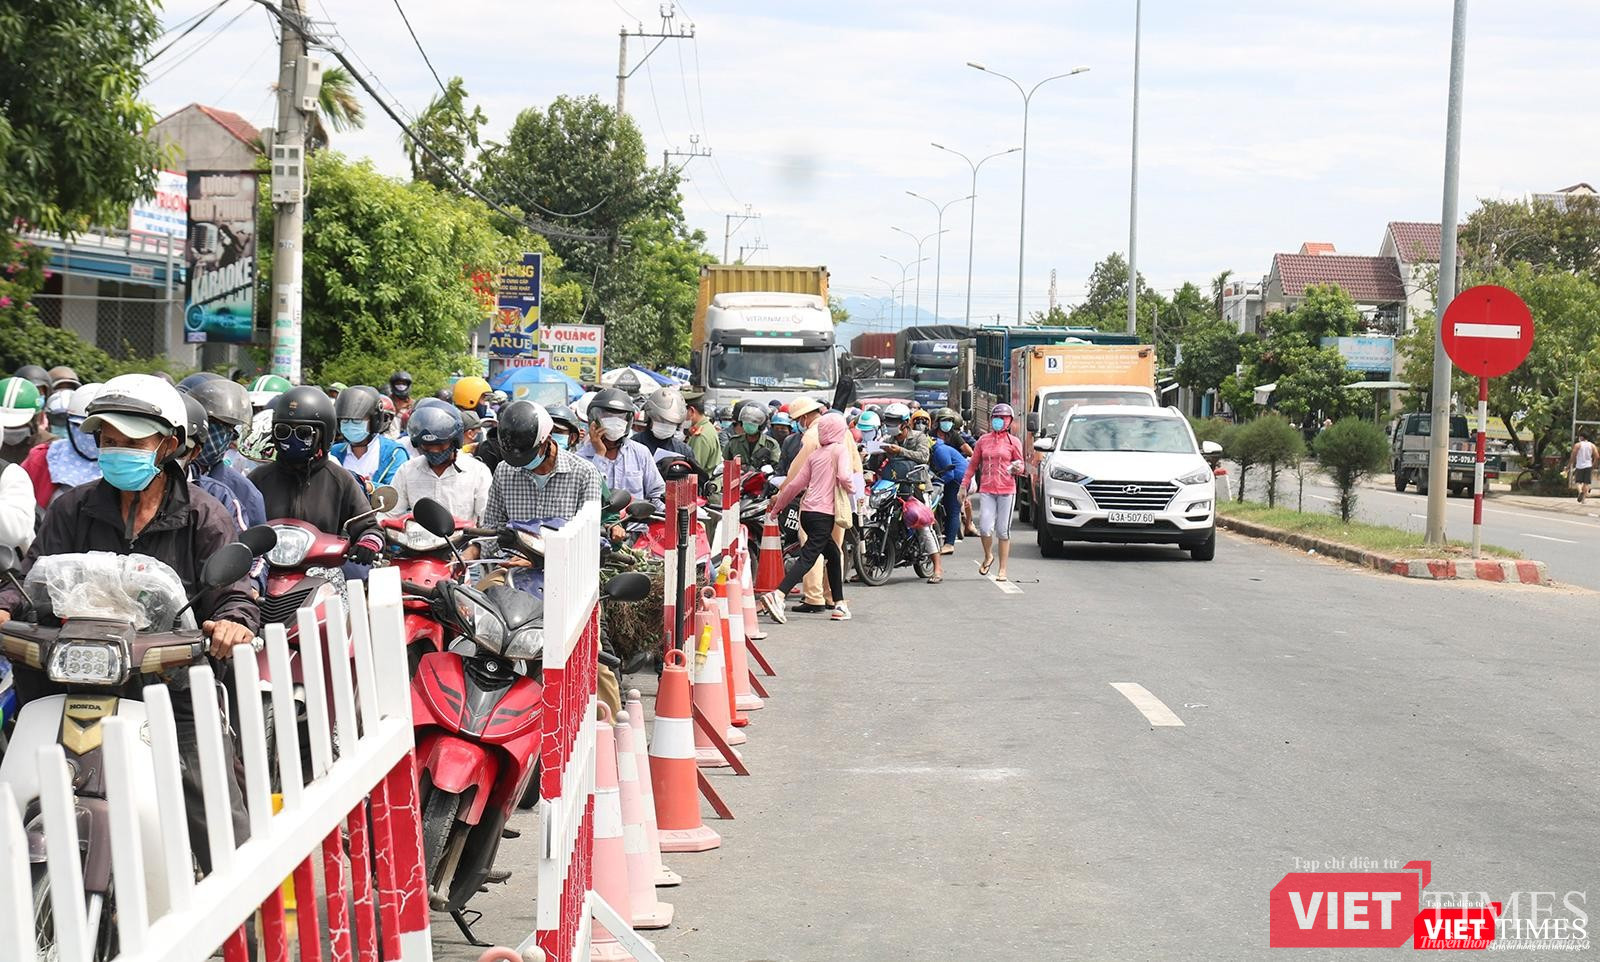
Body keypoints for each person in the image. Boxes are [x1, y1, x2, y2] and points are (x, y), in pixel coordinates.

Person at [0, 373, 259, 872]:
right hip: (71, 678)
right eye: (109, 441)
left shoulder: (205, 516)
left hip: (168, 686)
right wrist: (7, 604)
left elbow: (236, 590)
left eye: (132, 442)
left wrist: (232, 621)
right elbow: (33, 575)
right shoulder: (72, 507)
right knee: (18, 774)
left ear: (168, 445)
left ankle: (242, 933)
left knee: (215, 812)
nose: (117, 451)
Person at [248, 386, 382, 563]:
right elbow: (236, 527)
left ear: (323, 436)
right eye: (283, 431)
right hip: (265, 574)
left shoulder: (340, 480)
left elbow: (369, 527)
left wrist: (369, 542)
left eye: (303, 433)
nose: (292, 439)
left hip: (322, 575)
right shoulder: (258, 479)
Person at [761, 412, 854, 623]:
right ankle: (778, 594)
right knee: (809, 557)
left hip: (808, 512)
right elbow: (845, 477)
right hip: (824, 514)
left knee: (833, 553)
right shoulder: (840, 450)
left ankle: (839, 604)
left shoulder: (815, 455)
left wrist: (777, 508)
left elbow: (794, 485)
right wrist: (849, 488)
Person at [481, 400, 603, 532]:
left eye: (527, 455)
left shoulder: (585, 473)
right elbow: (491, 527)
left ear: (547, 441)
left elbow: (587, 533)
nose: (522, 463)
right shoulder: (504, 471)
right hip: (511, 552)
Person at [183, 376, 267, 530]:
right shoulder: (152, 478)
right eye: (212, 422)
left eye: (229, 427)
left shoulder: (244, 493)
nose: (220, 434)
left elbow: (253, 551)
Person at [389, 403, 492, 523]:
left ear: (455, 440)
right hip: (416, 540)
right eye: (427, 445)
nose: (434, 450)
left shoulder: (477, 472)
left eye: (440, 444)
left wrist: (476, 542)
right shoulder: (407, 471)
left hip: (464, 541)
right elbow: (390, 515)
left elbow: (487, 518)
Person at [960, 403, 1025, 581]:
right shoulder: (983, 440)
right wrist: (963, 486)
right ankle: (988, 555)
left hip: (1007, 490)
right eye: (996, 418)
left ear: (1009, 421)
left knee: (1003, 531)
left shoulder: (1014, 442)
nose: (999, 421)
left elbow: (1021, 465)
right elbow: (972, 465)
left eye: (1003, 418)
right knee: (985, 528)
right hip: (987, 490)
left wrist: (1016, 468)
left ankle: (1002, 569)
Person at [576, 388, 665, 507]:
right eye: (607, 416)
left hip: (636, 524)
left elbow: (657, 493)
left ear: (628, 421)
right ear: (593, 419)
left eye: (620, 417)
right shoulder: (580, 459)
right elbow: (587, 496)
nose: (615, 421)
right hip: (598, 524)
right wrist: (599, 454)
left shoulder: (640, 453)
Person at [21, 382, 101, 506]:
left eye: (96, 429)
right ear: (68, 423)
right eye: (78, 426)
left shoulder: (126, 465)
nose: (87, 435)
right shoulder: (44, 457)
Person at [329, 385, 408, 489]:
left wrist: (368, 487)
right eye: (345, 421)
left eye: (357, 421)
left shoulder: (394, 454)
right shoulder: (333, 453)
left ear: (374, 420)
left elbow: (397, 491)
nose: (350, 425)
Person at [929, 434, 969, 570]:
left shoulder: (940, 451)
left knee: (953, 510)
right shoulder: (936, 449)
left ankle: (949, 544)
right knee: (947, 506)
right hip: (955, 478)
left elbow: (949, 474)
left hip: (957, 479)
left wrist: (936, 483)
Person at [634, 387, 696, 464]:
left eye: (671, 423)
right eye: (661, 420)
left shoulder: (683, 451)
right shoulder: (632, 446)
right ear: (649, 417)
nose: (666, 425)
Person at [0, 375, 50, 464]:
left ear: (34, 417)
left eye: (17, 423)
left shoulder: (49, 446)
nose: (11, 428)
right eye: (5, 425)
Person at [878, 402, 931, 480]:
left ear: (905, 423)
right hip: (894, 481)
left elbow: (924, 457)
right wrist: (875, 453)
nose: (891, 425)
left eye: (894, 422)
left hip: (917, 482)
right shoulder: (887, 441)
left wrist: (900, 451)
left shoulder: (919, 436)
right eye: (889, 422)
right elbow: (873, 466)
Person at [724, 402, 782, 472]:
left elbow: (777, 467)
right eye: (746, 422)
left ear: (761, 425)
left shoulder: (771, 444)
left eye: (754, 422)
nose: (749, 424)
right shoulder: (733, 442)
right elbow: (725, 463)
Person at [682, 391, 723, 474]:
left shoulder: (700, 436)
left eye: (682, 412)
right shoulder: (707, 427)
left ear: (691, 411)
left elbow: (695, 470)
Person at [1570, 431, 1598, 503]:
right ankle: (1583, 500)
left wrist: (1569, 465)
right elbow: (1597, 456)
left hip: (1579, 466)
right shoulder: (1592, 445)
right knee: (1586, 483)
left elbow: (1573, 456)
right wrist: (1593, 465)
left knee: (1578, 482)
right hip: (1588, 465)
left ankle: (1580, 492)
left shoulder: (1578, 445)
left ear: (1581, 437)